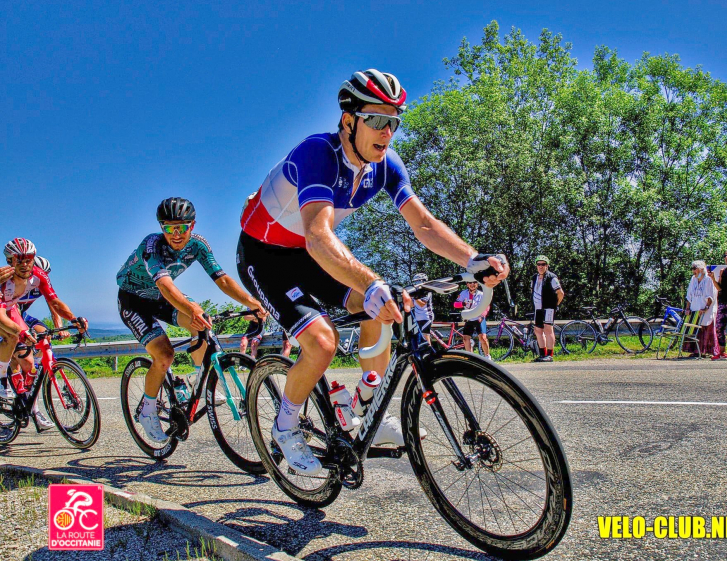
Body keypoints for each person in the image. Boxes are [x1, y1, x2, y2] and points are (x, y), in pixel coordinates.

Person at [237, 68, 509, 475]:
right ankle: (286, 426)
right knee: (323, 343)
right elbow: (316, 234)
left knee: (381, 310)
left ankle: (364, 405)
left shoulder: (384, 165)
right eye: (377, 121)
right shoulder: (318, 154)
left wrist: (472, 260)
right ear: (348, 121)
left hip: (312, 255)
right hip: (267, 255)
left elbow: (424, 225)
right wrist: (371, 281)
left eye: (394, 122)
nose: (387, 132)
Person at [117, 197, 267, 443]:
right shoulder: (152, 245)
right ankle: (148, 410)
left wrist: (251, 303)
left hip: (162, 298)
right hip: (134, 300)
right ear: (161, 227)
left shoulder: (198, 245)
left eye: (182, 227)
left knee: (203, 322)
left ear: (192, 226)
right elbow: (165, 286)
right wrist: (191, 308)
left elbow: (223, 279)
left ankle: (197, 378)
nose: (176, 234)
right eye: (169, 228)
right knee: (164, 355)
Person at [0, 239, 88, 430]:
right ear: (10, 261)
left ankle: (29, 398)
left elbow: (54, 302)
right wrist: (20, 333)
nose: (25, 264)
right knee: (15, 340)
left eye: (29, 259)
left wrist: (72, 320)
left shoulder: (39, 276)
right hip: (3, 313)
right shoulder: (3, 279)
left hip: (15, 311)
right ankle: (3, 381)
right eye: (19, 259)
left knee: (36, 349)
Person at [530, 255, 564, 362]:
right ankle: (542, 354)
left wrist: (555, 304)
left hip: (549, 307)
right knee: (538, 330)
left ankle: (550, 354)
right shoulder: (534, 278)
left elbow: (560, 293)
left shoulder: (552, 277)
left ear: (547, 266)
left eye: (543, 264)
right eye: (538, 264)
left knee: (548, 329)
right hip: (538, 308)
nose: (540, 266)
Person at [683, 260, 718, 358]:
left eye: (695, 269)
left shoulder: (708, 279)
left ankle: (707, 351)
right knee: (695, 329)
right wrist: (687, 308)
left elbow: (711, 295)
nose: (693, 271)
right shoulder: (693, 279)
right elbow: (689, 294)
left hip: (706, 309)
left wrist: (706, 308)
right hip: (695, 308)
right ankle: (695, 350)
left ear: (701, 269)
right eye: (692, 269)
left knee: (706, 328)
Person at [455, 280, 491, 359]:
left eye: (474, 283)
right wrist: (463, 303)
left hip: (479, 318)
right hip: (469, 319)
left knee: (483, 338)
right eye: (470, 283)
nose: (472, 284)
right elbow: (455, 304)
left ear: (477, 284)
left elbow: (487, 306)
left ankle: (487, 356)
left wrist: (482, 315)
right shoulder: (463, 293)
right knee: (465, 338)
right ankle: (471, 358)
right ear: (467, 284)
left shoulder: (481, 294)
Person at [411, 273, 434, 343]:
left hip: (426, 316)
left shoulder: (427, 291)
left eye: (417, 281)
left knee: (425, 336)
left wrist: (414, 297)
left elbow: (422, 303)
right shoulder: (415, 292)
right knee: (418, 338)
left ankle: (429, 352)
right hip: (418, 318)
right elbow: (412, 305)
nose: (416, 283)